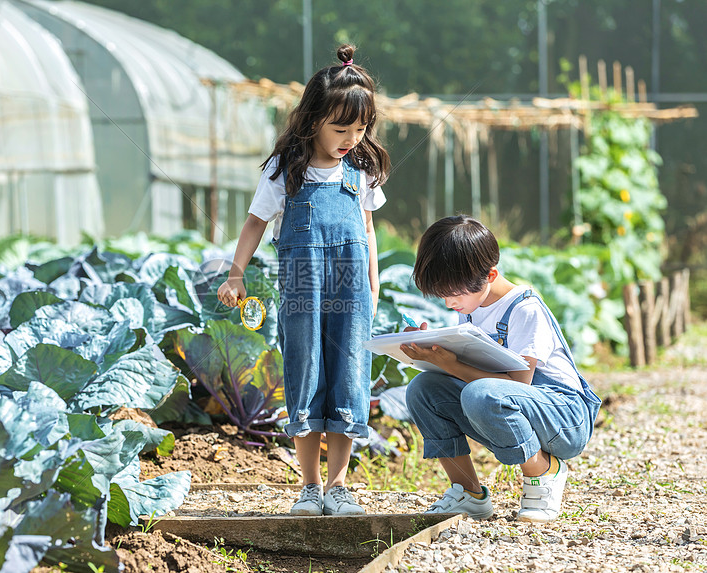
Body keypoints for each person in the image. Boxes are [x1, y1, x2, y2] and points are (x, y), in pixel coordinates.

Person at [217, 44, 390, 516]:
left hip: (351, 292)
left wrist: (373, 287)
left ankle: (339, 485)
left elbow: (369, 231)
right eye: (341, 128)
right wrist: (236, 275)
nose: (350, 138)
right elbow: (255, 222)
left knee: (349, 375)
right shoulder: (286, 171)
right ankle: (309, 487)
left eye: (360, 129)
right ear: (313, 119)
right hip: (301, 292)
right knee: (306, 372)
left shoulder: (362, 171)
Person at [400, 215, 601, 522]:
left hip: (564, 417)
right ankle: (468, 492)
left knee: (480, 394)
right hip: (511, 404)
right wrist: (431, 353)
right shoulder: (471, 306)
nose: (448, 302)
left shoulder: (524, 309)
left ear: (491, 275)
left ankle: (544, 471)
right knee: (422, 390)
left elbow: (519, 385)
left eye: (454, 294)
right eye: (442, 294)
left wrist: (452, 363)